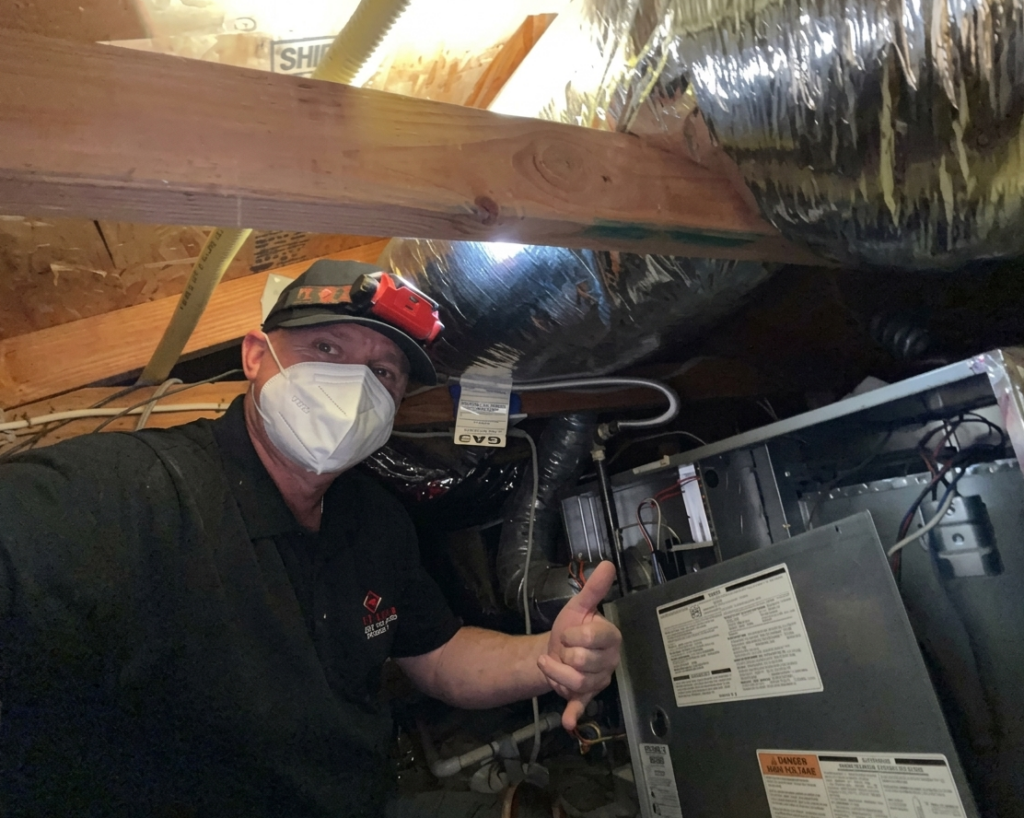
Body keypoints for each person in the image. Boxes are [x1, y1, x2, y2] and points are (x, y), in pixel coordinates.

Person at [0, 260, 622, 817]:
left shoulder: (374, 520)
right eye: (325, 347)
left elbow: (438, 654)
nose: (353, 385)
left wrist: (549, 657)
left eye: (383, 372)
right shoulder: (130, 494)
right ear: (255, 356)